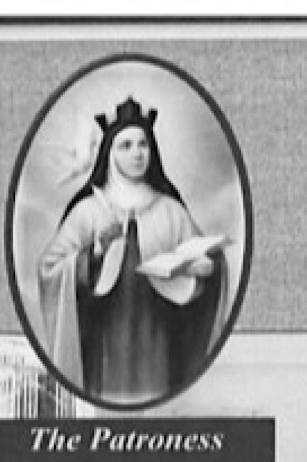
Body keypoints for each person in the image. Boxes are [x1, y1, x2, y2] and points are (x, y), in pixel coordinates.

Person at [37, 97, 228, 401]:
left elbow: (207, 262)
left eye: (143, 145)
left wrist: (202, 267)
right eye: (125, 146)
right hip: (104, 337)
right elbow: (50, 268)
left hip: (158, 335)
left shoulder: (170, 210)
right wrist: (94, 253)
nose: (137, 154)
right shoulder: (89, 211)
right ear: (109, 154)